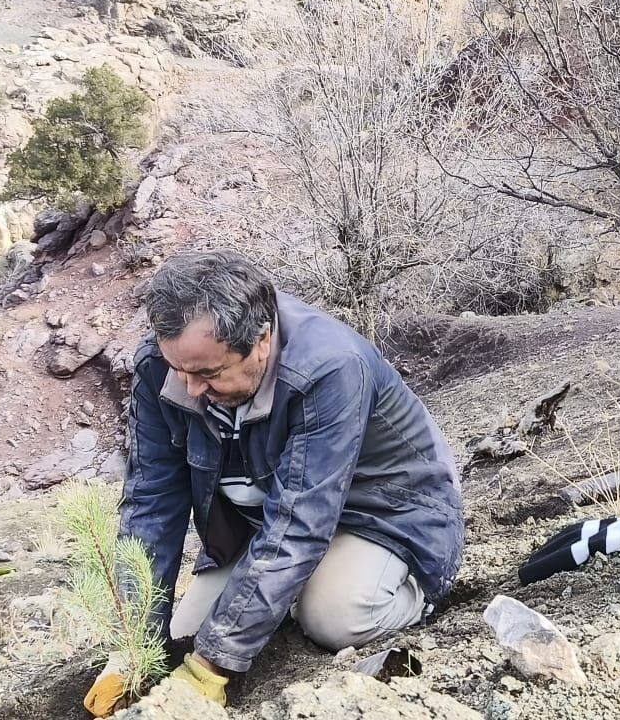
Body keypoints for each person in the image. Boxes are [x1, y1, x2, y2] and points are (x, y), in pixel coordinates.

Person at [84, 251, 465, 713]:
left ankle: (413, 594)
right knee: (187, 636)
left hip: (384, 514)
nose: (189, 387)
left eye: (208, 374)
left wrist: (210, 669)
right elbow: (151, 501)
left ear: (262, 340)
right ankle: (287, 597)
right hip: (263, 520)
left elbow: (299, 523)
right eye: (179, 369)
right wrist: (132, 649)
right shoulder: (165, 362)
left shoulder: (328, 368)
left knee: (333, 616)